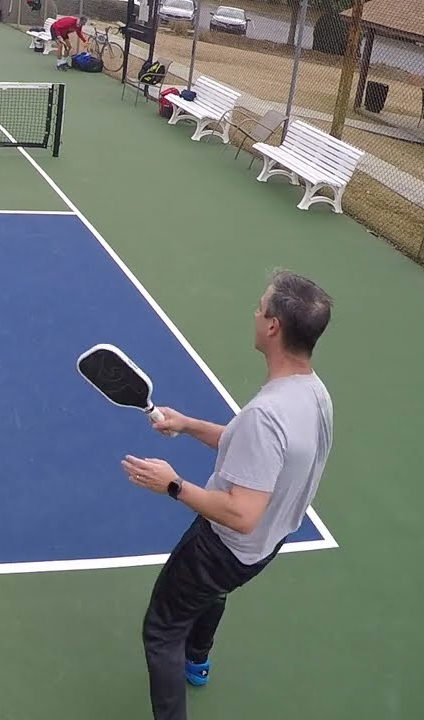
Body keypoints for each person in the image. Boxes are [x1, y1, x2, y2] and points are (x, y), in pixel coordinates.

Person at [120, 269, 334, 720]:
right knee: (212, 592)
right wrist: (188, 424)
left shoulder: (267, 414)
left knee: (162, 630)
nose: (254, 313)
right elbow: (258, 456)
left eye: (260, 307)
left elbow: (240, 514)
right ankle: (198, 658)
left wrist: (173, 485)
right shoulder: (315, 395)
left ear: (273, 326)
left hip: (225, 547)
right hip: (267, 545)